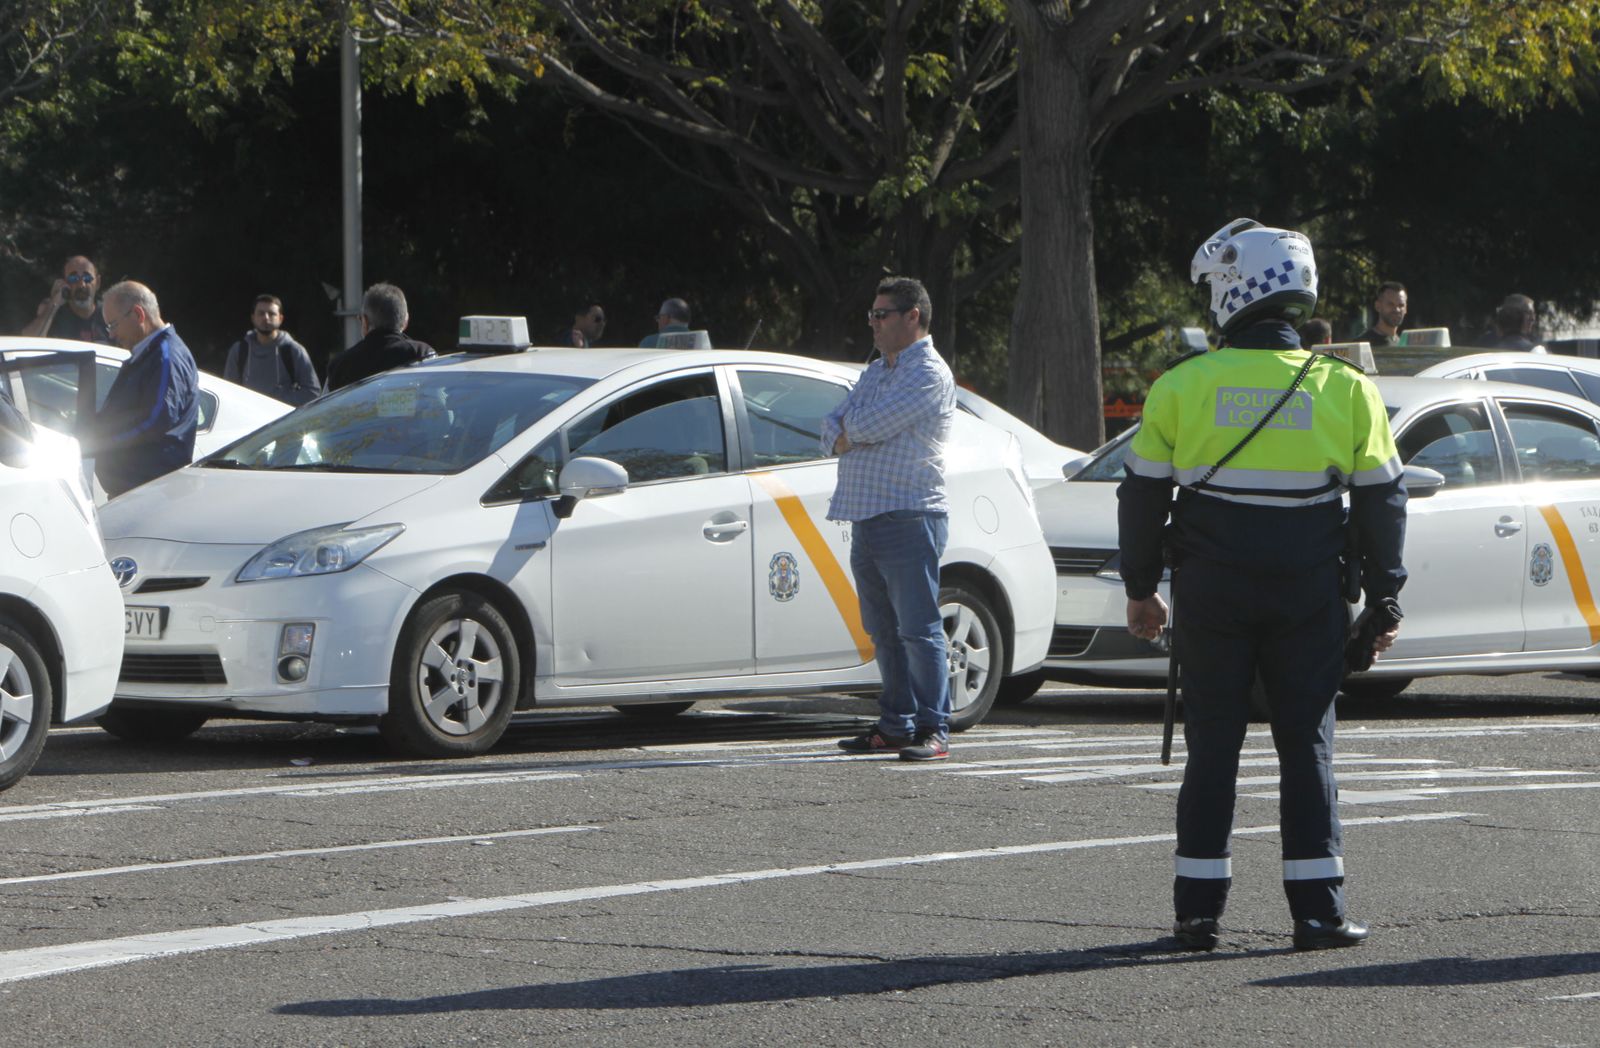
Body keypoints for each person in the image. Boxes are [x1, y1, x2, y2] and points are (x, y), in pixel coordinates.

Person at [1117, 219, 1407, 953]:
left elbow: (1143, 497)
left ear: (1233, 293)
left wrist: (1141, 587)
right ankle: (1318, 913)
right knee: (1305, 744)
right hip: (1308, 591)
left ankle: (1196, 915)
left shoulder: (1182, 386)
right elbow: (1383, 502)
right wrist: (1385, 596)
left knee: (1212, 745)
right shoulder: (1347, 389)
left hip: (1212, 591)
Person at [824, 276, 956, 763]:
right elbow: (830, 423)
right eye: (872, 315)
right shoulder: (877, 370)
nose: (873, 324)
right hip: (867, 513)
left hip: (909, 513)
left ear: (912, 317)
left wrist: (849, 431)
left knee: (918, 628)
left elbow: (865, 424)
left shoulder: (928, 373)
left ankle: (933, 727)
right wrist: (846, 432)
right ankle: (895, 723)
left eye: (882, 315)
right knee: (882, 628)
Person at [84, 281, 199, 498]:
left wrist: (103, 443)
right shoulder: (150, 354)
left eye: (113, 325)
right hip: (135, 490)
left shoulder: (166, 356)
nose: (111, 335)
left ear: (138, 314)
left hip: (149, 492)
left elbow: (155, 420)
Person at [324, 283, 435, 392]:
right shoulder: (422, 354)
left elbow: (324, 408)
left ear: (365, 322)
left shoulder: (338, 366)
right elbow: (439, 400)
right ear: (405, 321)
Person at [223, 294, 320, 405]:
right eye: (261, 313)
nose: (266, 318)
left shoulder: (293, 350)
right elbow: (228, 389)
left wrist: (277, 404)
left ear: (280, 318)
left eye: (272, 314)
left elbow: (312, 392)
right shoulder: (239, 350)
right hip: (247, 417)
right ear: (253, 317)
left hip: (283, 419)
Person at [20, 255, 112, 343]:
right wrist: (53, 303)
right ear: (64, 283)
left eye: (87, 278)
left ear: (98, 282)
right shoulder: (54, 315)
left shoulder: (110, 314)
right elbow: (29, 343)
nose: (81, 284)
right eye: (73, 278)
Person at [1357, 281, 1407, 346]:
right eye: (1390, 304)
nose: (1396, 310)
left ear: (1406, 309)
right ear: (1378, 306)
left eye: (1401, 305)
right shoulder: (1362, 344)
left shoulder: (1403, 346)